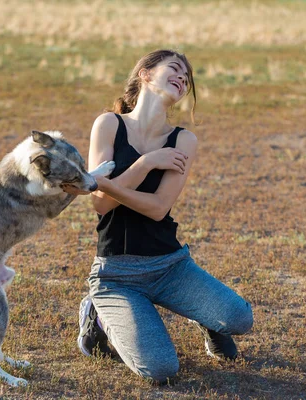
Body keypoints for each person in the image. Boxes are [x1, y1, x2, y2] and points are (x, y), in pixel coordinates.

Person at [67, 49, 253, 383]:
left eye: (187, 78)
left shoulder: (183, 139)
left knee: (240, 319)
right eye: (176, 69)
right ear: (146, 74)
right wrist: (147, 163)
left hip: (171, 267)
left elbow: (157, 208)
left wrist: (108, 183)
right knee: (161, 370)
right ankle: (96, 313)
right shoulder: (109, 124)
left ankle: (206, 318)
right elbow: (99, 203)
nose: (183, 79)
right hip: (117, 276)